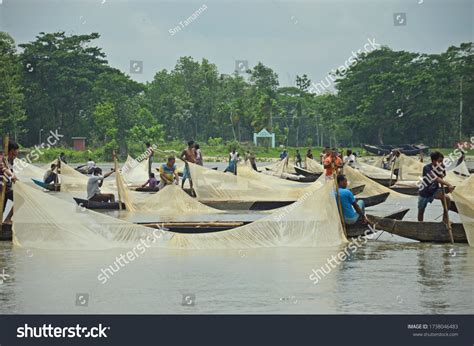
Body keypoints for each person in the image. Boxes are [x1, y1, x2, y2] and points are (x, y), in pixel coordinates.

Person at [418, 151, 454, 224]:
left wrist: (442, 172)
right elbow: (436, 178)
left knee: (447, 198)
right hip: (424, 192)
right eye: (440, 161)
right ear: (434, 161)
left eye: (442, 161)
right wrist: (449, 185)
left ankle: (445, 219)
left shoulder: (440, 167)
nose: (441, 163)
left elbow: (442, 176)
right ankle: (420, 225)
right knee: (421, 211)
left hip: (434, 190)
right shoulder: (427, 168)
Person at [1, 142, 19, 224]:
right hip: (1, 189)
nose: (18, 152)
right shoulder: (2, 158)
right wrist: (12, 175)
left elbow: (9, 171)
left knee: (19, 198)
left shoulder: (10, 160)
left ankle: (7, 219)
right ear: (12, 150)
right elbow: (4, 169)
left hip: (6, 190)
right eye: (17, 150)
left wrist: (13, 178)